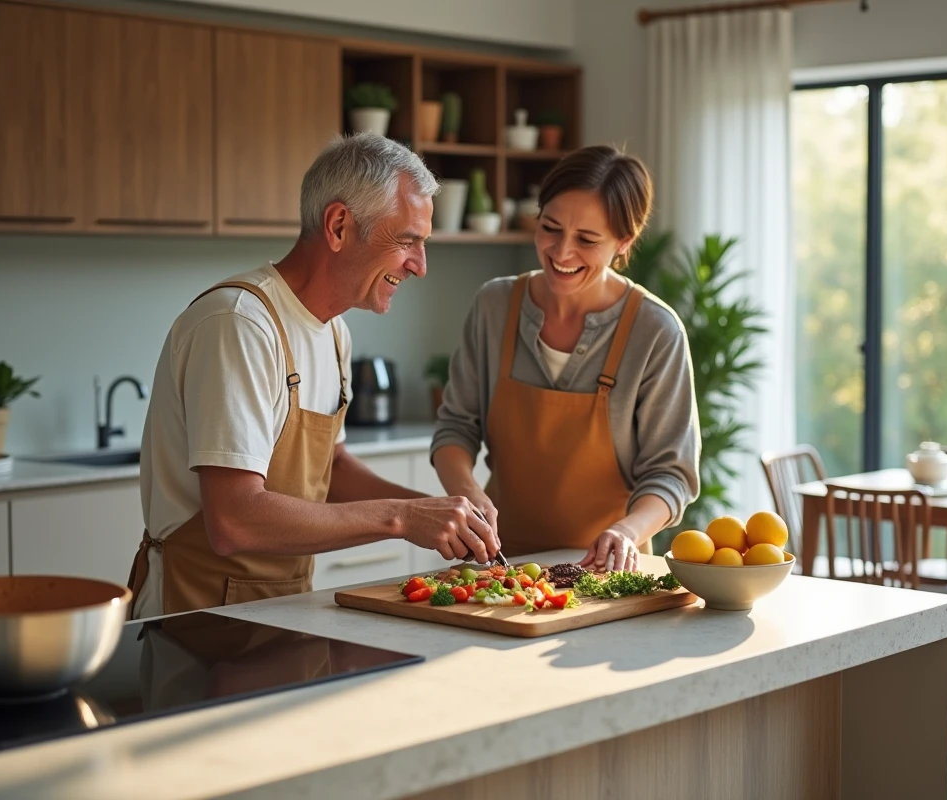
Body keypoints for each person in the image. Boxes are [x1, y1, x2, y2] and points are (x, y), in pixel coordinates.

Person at [129, 134, 498, 620]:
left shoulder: (333, 333)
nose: (420, 266)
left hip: (282, 607)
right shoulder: (240, 324)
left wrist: (446, 513)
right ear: (340, 225)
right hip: (195, 617)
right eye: (407, 240)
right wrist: (403, 518)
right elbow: (234, 519)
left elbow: (333, 469)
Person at [430, 145, 701, 574]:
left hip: (606, 574)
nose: (561, 252)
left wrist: (628, 531)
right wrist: (466, 493)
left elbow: (671, 475)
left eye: (587, 240)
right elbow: (455, 429)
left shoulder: (655, 331)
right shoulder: (494, 305)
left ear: (624, 242)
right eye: (550, 228)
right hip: (499, 566)